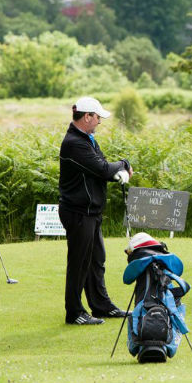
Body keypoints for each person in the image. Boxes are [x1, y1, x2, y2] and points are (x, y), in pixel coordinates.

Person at [58, 96, 133, 325]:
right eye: (98, 117)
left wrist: (117, 168)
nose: (100, 121)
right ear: (87, 116)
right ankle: (74, 312)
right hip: (78, 212)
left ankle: (101, 306)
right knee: (79, 263)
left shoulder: (87, 139)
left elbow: (101, 167)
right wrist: (124, 165)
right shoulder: (74, 143)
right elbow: (102, 168)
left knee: (96, 260)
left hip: (91, 211)